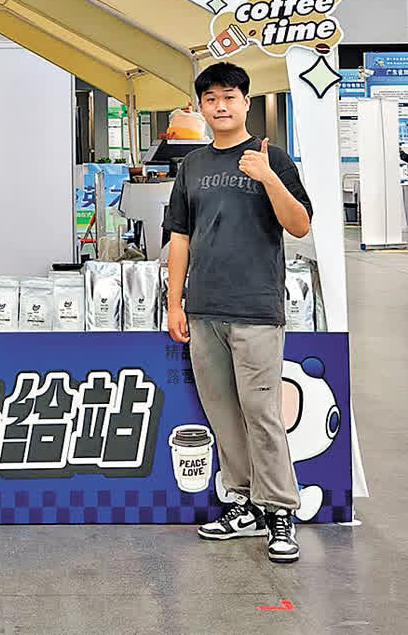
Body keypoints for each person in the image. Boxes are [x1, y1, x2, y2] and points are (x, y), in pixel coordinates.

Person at [164, 61, 312, 564]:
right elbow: (179, 237)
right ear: (200, 107)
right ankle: (243, 503)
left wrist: (268, 177)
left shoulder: (273, 157)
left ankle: (280, 511)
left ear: (246, 102)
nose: (220, 106)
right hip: (204, 310)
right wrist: (175, 303)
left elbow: (299, 225)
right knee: (223, 413)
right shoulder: (192, 166)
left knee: (261, 412)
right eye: (211, 99)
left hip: (255, 309)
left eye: (229, 97)